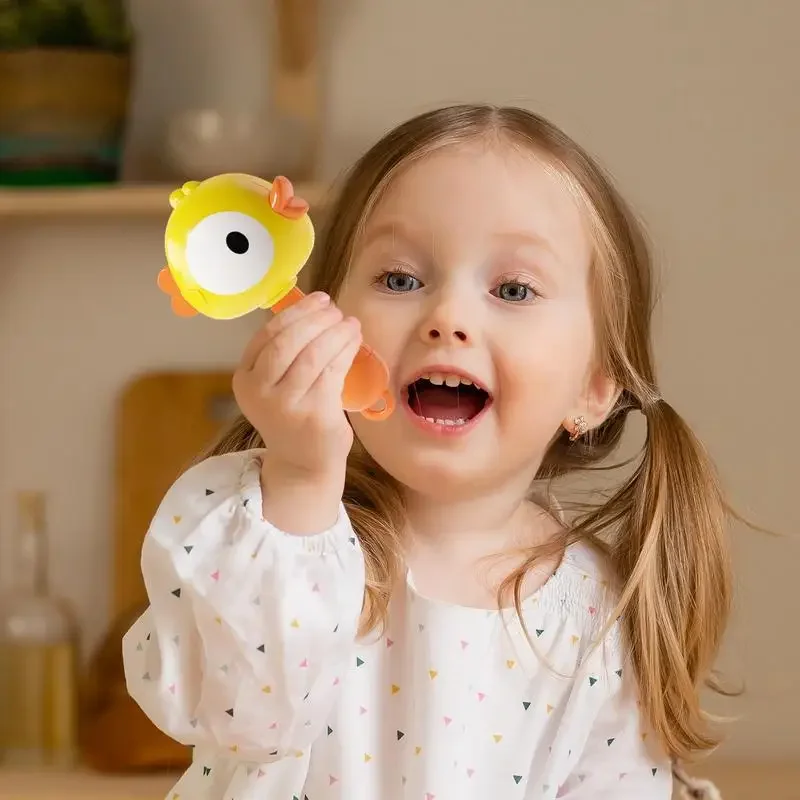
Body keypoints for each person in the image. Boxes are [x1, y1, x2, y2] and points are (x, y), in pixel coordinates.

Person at [123, 104, 731, 799]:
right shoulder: (259, 530)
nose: (448, 319)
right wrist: (298, 479)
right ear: (321, 316)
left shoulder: (597, 617)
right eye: (401, 280)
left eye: (512, 289)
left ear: (593, 389)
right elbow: (241, 724)